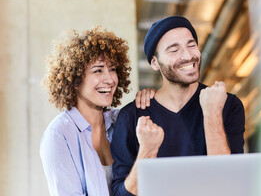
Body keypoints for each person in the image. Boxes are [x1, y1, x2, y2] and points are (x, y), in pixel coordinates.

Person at [111, 16, 245, 196]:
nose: (188, 55)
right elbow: (120, 194)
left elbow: (233, 186)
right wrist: (147, 151)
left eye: (191, 45)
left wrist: (212, 114)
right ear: (154, 63)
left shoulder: (227, 105)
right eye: (174, 50)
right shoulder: (131, 116)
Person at [40, 26, 155, 196]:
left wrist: (151, 100)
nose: (109, 79)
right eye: (98, 70)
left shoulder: (122, 120)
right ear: (75, 79)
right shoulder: (59, 134)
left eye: (113, 69)